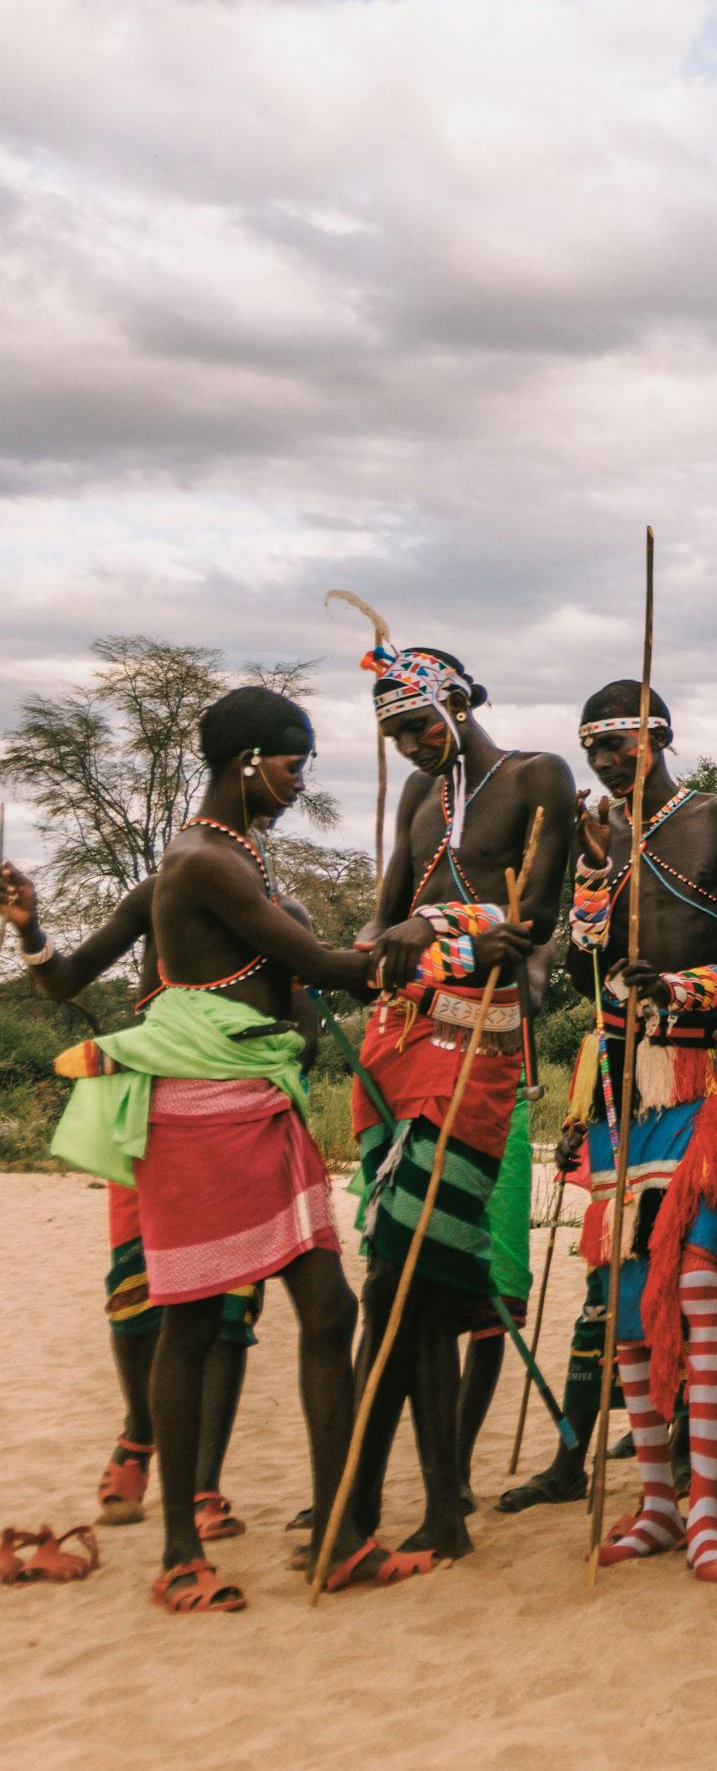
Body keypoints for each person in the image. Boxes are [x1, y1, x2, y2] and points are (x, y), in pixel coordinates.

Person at [45, 687, 441, 1609]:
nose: (301, 782)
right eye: (294, 764)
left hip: (261, 1103)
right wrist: (430, 935)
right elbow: (324, 971)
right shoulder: (204, 862)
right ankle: (181, 1554)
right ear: (247, 762)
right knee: (190, 1322)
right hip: (203, 1111)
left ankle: (340, 1537)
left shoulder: (237, 858)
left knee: (328, 1311)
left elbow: (301, 986)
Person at [343, 635, 572, 1562]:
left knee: (412, 1273)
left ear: (457, 706)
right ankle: (375, 1497)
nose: (408, 746)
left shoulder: (536, 777)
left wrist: (433, 927)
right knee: (402, 1279)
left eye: (417, 726)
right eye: (392, 734)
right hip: (395, 1040)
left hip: (476, 1040)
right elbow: (384, 908)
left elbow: (534, 924)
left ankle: (411, 1504)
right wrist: (367, 947)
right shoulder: (415, 795)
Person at [567, 678, 717, 1584]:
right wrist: (597, 872)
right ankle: (654, 1502)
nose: (609, 762)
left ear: (663, 738)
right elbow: (583, 969)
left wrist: (687, 991)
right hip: (622, 1082)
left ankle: (709, 1509)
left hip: (699, 1076)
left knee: (696, 1285)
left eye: (622, 743)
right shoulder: (599, 840)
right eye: (595, 749)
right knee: (625, 1299)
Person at [5, 861, 266, 1541]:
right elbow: (64, 980)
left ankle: (205, 1483)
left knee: (230, 1311)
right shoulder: (159, 894)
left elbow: (303, 1019)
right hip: (147, 1108)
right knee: (134, 1294)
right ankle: (140, 1437)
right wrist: (31, 928)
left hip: (237, 1116)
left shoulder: (274, 913)